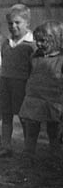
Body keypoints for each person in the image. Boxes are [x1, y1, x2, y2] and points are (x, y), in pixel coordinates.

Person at [18, 21, 63, 159]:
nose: (38, 44)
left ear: (55, 40)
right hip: (34, 98)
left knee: (53, 129)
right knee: (31, 127)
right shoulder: (35, 57)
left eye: (43, 41)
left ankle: (54, 154)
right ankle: (28, 151)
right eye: (36, 41)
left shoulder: (60, 59)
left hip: (52, 99)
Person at [0, 4, 35, 158]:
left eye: (18, 23)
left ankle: (28, 149)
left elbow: (33, 68)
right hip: (6, 84)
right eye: (10, 23)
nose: (13, 26)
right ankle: (6, 146)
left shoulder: (31, 45)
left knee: (24, 118)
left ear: (27, 23)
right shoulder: (6, 44)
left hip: (23, 86)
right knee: (6, 116)